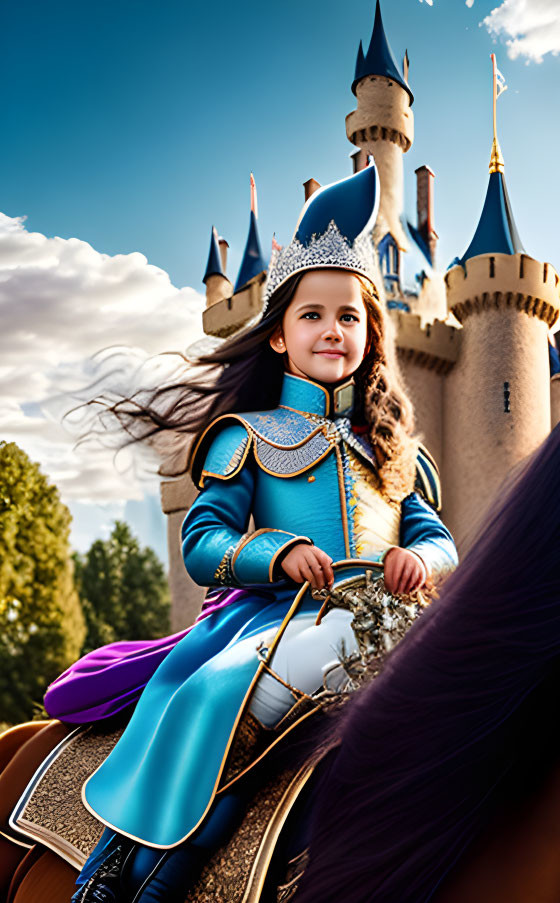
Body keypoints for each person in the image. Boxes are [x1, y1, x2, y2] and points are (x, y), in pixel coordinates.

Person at [44, 165, 457, 903]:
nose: (333, 329)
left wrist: (414, 556)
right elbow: (203, 542)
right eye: (312, 315)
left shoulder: (398, 454)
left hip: (396, 624)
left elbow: (440, 541)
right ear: (276, 337)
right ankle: (131, 871)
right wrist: (278, 552)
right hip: (280, 622)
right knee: (236, 699)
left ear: (372, 332)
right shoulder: (247, 437)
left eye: (350, 316)